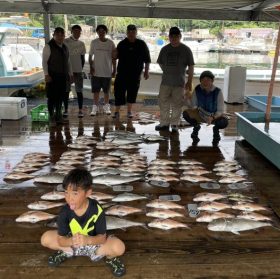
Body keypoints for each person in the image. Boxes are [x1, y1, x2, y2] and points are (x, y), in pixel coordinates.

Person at [41, 168, 126, 277]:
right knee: (45, 238)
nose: (69, 198)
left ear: (88, 192)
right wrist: (71, 241)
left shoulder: (96, 209)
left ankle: (110, 259)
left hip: (94, 244)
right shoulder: (64, 211)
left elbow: (102, 237)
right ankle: (66, 252)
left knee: (119, 247)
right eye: (66, 193)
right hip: (71, 244)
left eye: (75, 193)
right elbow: (61, 239)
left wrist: (88, 240)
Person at [155, 26, 194, 133]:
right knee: (163, 103)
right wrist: (167, 71)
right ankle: (164, 123)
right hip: (165, 82)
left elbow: (191, 66)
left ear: (180, 37)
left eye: (176, 36)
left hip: (180, 83)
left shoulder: (186, 50)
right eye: (172, 36)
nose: (174, 38)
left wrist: (189, 81)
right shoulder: (164, 49)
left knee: (178, 104)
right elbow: (160, 63)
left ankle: (174, 124)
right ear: (169, 37)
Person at [113, 24, 151, 119]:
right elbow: (115, 57)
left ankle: (129, 111)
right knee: (118, 93)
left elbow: (147, 59)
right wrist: (113, 54)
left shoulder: (141, 44)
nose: (131, 34)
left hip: (135, 74)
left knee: (132, 93)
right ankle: (117, 112)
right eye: (129, 32)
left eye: (133, 32)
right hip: (122, 73)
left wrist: (146, 71)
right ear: (126, 33)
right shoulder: (121, 44)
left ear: (136, 33)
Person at [182, 70, 229, 146]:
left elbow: (220, 110)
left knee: (224, 122)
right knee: (185, 113)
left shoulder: (218, 92)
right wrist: (186, 98)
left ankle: (216, 131)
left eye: (208, 80)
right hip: (200, 114)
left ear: (212, 81)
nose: (205, 82)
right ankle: (196, 127)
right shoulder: (197, 89)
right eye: (203, 80)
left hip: (214, 116)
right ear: (200, 81)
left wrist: (212, 117)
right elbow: (193, 106)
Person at [42, 27, 73, 125]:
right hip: (52, 76)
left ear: (64, 36)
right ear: (53, 35)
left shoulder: (65, 47)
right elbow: (44, 62)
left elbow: (68, 62)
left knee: (61, 97)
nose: (60, 37)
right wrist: (46, 74)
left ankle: (58, 117)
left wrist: (70, 74)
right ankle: (51, 117)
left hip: (63, 76)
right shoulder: (48, 46)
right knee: (52, 97)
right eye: (58, 35)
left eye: (62, 35)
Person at [89, 25, 116, 116]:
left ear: (106, 32)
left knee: (106, 92)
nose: (101, 33)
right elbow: (90, 56)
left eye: (103, 31)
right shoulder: (94, 42)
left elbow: (114, 57)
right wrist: (91, 67)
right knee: (96, 91)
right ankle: (95, 107)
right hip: (96, 72)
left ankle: (106, 107)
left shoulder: (111, 43)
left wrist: (114, 69)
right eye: (99, 31)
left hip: (107, 72)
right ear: (97, 32)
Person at [64, 25, 86, 118]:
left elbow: (83, 58)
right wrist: (68, 71)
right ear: (71, 31)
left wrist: (80, 69)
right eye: (75, 31)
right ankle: (65, 110)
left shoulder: (81, 43)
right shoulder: (65, 41)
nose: (77, 33)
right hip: (68, 71)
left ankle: (80, 110)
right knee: (66, 91)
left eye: (79, 32)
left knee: (79, 91)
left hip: (78, 71)